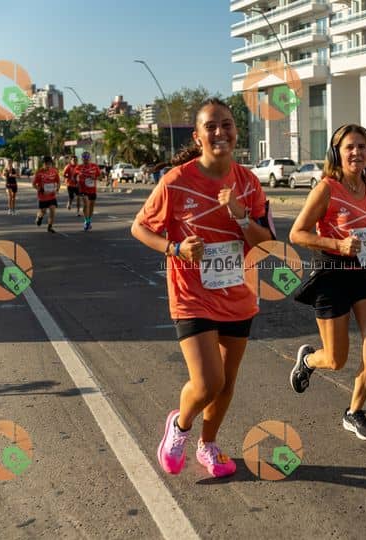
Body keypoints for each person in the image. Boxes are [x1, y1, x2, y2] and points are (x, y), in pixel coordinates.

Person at [131, 98, 274, 478]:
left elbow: (265, 243)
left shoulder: (248, 182)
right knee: (209, 381)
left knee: (226, 383)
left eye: (226, 124)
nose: (220, 132)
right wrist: (175, 248)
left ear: (236, 131)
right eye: (211, 126)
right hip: (192, 295)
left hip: (238, 294)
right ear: (198, 137)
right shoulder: (176, 181)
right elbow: (139, 228)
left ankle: (208, 444)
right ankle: (179, 426)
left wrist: (241, 216)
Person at [288, 124, 366, 441]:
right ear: (336, 153)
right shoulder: (326, 188)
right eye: (349, 147)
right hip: (332, 274)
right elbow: (297, 233)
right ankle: (309, 359)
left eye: (362, 146)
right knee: (336, 360)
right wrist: (338, 244)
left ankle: (354, 411)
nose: (356, 152)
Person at [32, 155, 60, 233]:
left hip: (52, 195)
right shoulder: (39, 172)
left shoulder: (54, 171)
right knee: (43, 211)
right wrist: (40, 190)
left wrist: (57, 189)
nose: (48, 166)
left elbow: (58, 181)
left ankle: (50, 226)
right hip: (43, 196)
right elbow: (34, 184)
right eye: (46, 164)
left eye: (49, 164)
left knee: (52, 210)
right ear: (43, 164)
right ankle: (39, 217)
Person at [77, 151, 101, 231]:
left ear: (90, 158)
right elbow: (74, 176)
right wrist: (77, 179)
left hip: (92, 189)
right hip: (83, 189)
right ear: (82, 159)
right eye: (84, 159)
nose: (86, 160)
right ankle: (86, 221)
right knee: (86, 204)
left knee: (91, 206)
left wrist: (95, 177)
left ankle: (89, 221)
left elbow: (100, 177)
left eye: (87, 159)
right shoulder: (79, 167)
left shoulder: (95, 166)